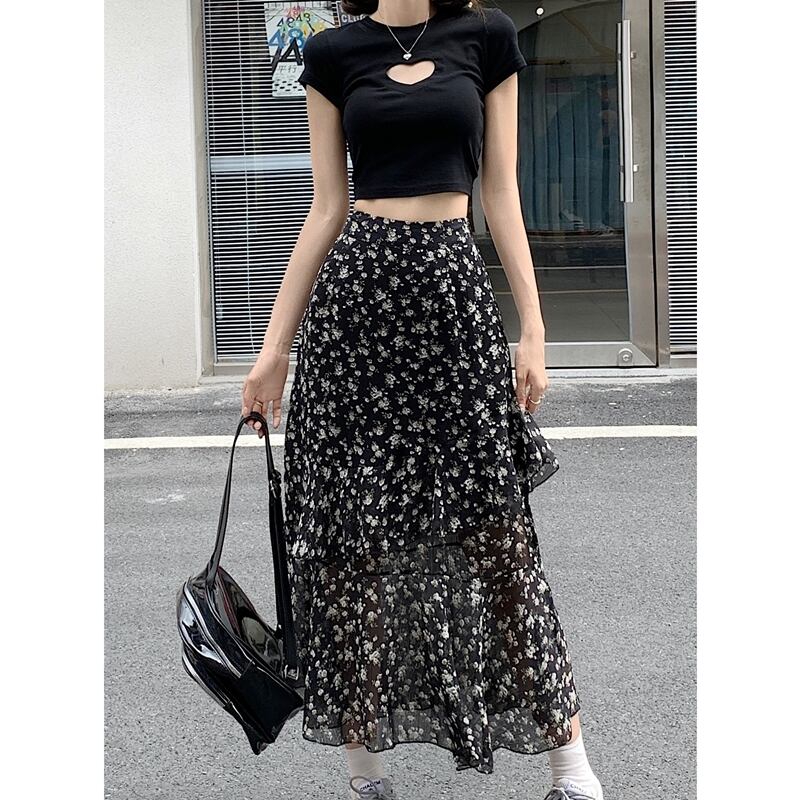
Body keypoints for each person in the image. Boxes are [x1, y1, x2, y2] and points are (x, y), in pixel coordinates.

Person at [241, 2, 604, 799]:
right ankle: (365, 773)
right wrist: (273, 352)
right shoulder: (333, 53)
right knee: (352, 545)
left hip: (452, 304)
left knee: (496, 536)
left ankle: (573, 770)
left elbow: (500, 193)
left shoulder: (487, 37)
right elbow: (325, 208)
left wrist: (534, 329)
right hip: (356, 314)